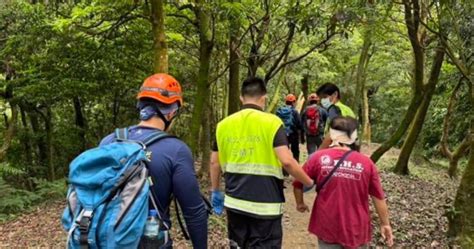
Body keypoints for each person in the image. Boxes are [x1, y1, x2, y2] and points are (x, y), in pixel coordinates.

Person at [100, 74, 208, 249]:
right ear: (172, 112)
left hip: (106, 240)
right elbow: (194, 212)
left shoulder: (109, 141)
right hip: (150, 241)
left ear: (140, 105)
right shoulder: (176, 150)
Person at [210, 77, 314, 248]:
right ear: (264, 98)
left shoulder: (223, 125)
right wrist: (308, 181)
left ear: (241, 98)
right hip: (266, 206)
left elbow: (215, 163)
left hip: (234, 203)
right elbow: (287, 161)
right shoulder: (272, 122)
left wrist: (215, 191)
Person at [293, 117, 394, 249]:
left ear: (331, 134)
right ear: (354, 137)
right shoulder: (366, 163)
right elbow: (378, 197)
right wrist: (385, 223)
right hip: (357, 228)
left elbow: (297, 183)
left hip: (326, 224)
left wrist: (300, 203)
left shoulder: (318, 158)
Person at [316, 82, 356, 149]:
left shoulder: (334, 109)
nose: (322, 100)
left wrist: (320, 151)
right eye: (321, 98)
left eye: (325, 97)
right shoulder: (347, 109)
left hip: (336, 149)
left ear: (335, 94)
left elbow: (332, 133)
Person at [276, 94, 303, 162]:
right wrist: (301, 134)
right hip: (293, 134)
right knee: (295, 151)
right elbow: (299, 124)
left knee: (284, 151)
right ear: (293, 102)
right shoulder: (294, 112)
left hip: (282, 134)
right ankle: (296, 166)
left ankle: (284, 170)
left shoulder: (280, 111)